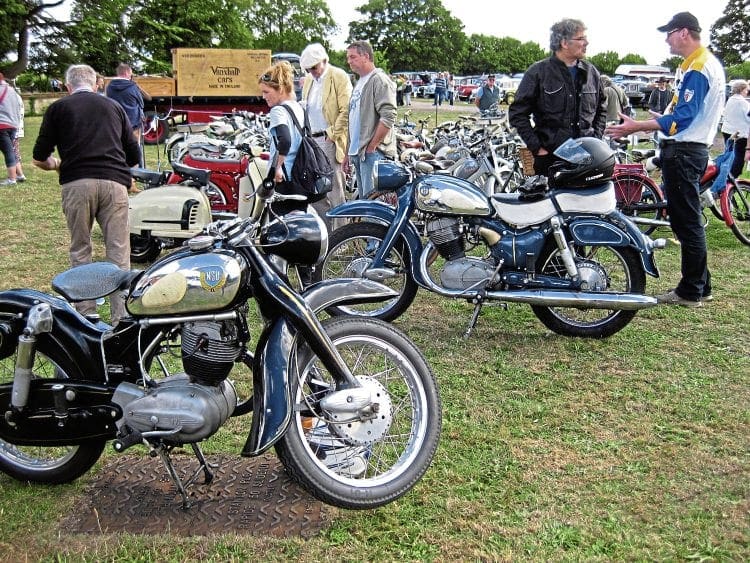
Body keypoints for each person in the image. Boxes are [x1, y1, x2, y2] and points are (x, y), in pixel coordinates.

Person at [605, 12, 725, 308]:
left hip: (685, 151)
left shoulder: (699, 65)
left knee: (687, 223)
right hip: (689, 149)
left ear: (684, 32)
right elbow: (684, 115)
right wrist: (661, 121)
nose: (667, 39)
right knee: (688, 220)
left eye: (669, 33)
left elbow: (683, 118)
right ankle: (701, 285)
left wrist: (638, 126)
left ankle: (690, 290)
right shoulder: (698, 63)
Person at [32, 64, 140, 324]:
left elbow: (39, 157)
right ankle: (121, 317)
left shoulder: (58, 109)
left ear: (68, 87)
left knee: (81, 248)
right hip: (114, 184)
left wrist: (56, 164)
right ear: (96, 84)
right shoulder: (114, 107)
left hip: (77, 183)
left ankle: (86, 313)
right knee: (118, 251)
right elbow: (133, 154)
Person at [508, 18, 607, 175]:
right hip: (550, 162)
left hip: (587, 160)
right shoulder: (538, 72)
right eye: (581, 38)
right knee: (551, 200)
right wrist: (537, 148)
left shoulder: (592, 73)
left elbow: (602, 109)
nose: (586, 42)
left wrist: (596, 138)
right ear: (564, 43)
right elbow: (517, 113)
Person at [299, 42, 352, 230]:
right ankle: (323, 231)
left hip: (328, 138)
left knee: (334, 188)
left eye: (314, 67)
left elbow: (346, 110)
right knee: (315, 187)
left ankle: (342, 233)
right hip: (311, 139)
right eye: (308, 69)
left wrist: (332, 134)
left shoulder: (338, 76)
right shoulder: (310, 80)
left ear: (324, 61)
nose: (312, 71)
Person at [345, 40, 397, 199]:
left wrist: (372, 146)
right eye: (348, 58)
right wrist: (348, 151)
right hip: (359, 153)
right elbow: (353, 119)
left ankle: (371, 225)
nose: (349, 62)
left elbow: (389, 115)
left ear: (366, 56)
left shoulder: (379, 80)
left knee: (373, 208)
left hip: (373, 154)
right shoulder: (359, 82)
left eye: (353, 57)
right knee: (365, 203)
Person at [258, 60, 308, 216]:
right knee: (298, 227)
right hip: (301, 176)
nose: (263, 97)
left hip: (284, 178)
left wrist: (277, 167)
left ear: (280, 89)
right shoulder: (298, 107)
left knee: (278, 231)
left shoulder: (278, 111)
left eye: (266, 92)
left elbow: (285, 139)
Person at [106, 62, 151, 168]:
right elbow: (141, 103)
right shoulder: (132, 87)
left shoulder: (109, 87)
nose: (132, 75)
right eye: (131, 73)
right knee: (135, 147)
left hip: (116, 122)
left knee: (119, 146)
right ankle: (139, 168)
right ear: (126, 72)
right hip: (133, 122)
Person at [720, 80, 749, 179]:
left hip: (727, 131)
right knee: (738, 159)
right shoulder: (743, 103)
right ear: (741, 89)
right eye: (746, 90)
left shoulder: (730, 100)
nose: (747, 92)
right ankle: (731, 179)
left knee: (729, 155)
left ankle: (725, 176)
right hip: (739, 134)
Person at [0, 72, 21, 186]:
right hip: (13, 124)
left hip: (2, 125)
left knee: (8, 152)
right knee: (10, 151)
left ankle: (12, 179)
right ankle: (19, 174)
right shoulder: (12, 91)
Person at [12, 84, 25, 182]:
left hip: (13, 128)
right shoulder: (17, 97)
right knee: (14, 151)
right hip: (17, 128)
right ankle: (18, 173)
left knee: (13, 152)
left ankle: (20, 174)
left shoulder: (12, 97)